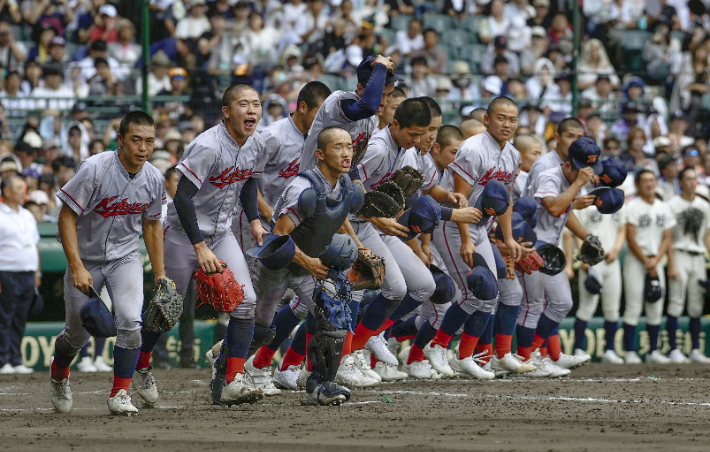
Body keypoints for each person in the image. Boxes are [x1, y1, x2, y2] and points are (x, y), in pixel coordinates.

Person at [49, 111, 167, 415]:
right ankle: (59, 373)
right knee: (77, 334)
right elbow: (66, 215)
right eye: (136, 140)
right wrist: (75, 265)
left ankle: (120, 394)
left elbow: (152, 225)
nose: (143, 148)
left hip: (125, 256)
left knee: (130, 321)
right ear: (120, 141)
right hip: (85, 258)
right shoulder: (95, 168)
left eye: (149, 141)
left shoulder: (154, 177)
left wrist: (161, 274)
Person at [159, 84, 268, 406]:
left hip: (221, 233)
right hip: (182, 233)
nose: (251, 110)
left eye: (256, 104)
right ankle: (139, 367)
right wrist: (198, 247)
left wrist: (254, 220)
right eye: (243, 104)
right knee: (166, 310)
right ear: (226, 111)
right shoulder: (207, 145)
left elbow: (249, 182)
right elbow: (181, 197)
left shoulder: (257, 143)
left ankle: (231, 379)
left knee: (246, 302)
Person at [247, 126, 362, 405]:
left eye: (349, 146)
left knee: (333, 313)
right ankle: (225, 364)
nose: (346, 153)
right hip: (279, 261)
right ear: (320, 154)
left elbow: (336, 217)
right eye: (338, 147)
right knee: (259, 328)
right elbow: (279, 235)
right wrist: (308, 261)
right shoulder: (304, 189)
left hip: (310, 264)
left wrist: (361, 250)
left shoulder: (347, 185)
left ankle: (320, 386)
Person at [424, 97, 523, 378]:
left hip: (480, 228)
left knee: (489, 296)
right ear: (487, 120)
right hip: (454, 225)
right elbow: (460, 197)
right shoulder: (473, 149)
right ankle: (437, 346)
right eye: (501, 117)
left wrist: (509, 237)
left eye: (512, 119)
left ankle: (464, 356)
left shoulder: (513, 154)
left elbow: (504, 200)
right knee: (473, 291)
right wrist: (467, 238)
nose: (507, 124)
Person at [516, 138, 602, 373]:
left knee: (560, 302)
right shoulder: (550, 175)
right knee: (534, 304)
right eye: (583, 169)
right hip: (532, 244)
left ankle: (531, 355)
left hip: (548, 246)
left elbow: (563, 212)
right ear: (569, 165)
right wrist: (577, 187)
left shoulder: (569, 180)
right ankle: (526, 358)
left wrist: (585, 235)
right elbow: (554, 206)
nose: (588, 176)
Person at [233, 81, 332, 253]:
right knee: (252, 274)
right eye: (319, 112)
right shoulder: (273, 135)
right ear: (303, 107)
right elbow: (244, 178)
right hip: (257, 219)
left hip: (290, 221)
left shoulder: (318, 138)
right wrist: (267, 213)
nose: (324, 119)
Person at [299, 54, 398, 172]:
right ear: (360, 88)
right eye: (380, 95)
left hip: (336, 186)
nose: (383, 102)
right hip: (311, 182)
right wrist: (380, 67)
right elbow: (368, 106)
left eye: (389, 95)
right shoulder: (337, 102)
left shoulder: (371, 119)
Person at [622, 169, 675, 364]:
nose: (650, 184)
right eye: (645, 181)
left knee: (656, 305)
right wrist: (647, 261)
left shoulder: (664, 207)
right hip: (637, 260)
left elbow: (667, 237)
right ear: (637, 184)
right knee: (634, 305)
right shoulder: (632, 206)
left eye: (652, 180)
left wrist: (657, 260)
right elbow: (631, 237)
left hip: (656, 260)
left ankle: (653, 350)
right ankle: (629, 351)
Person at [573, 173, 627, 364]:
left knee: (612, 308)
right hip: (592, 260)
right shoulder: (587, 199)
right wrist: (584, 257)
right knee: (586, 307)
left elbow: (622, 229)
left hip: (611, 259)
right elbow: (576, 230)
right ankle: (578, 349)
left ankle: (609, 350)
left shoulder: (618, 200)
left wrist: (617, 249)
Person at [666, 167, 710, 364]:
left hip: (698, 256)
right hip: (679, 253)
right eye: (689, 179)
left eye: (695, 179)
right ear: (681, 182)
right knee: (676, 302)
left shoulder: (704, 205)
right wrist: (671, 263)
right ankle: (674, 349)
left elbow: (707, 236)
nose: (693, 182)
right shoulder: (672, 204)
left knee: (696, 305)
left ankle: (694, 350)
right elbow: (666, 237)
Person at [0, 175, 40, 375]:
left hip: (27, 273)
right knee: (4, 317)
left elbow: (34, 244)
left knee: (19, 318)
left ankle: (16, 359)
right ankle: (3, 360)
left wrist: (37, 272)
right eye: (18, 187)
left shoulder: (27, 215)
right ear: (7, 192)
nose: (23, 190)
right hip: (6, 272)